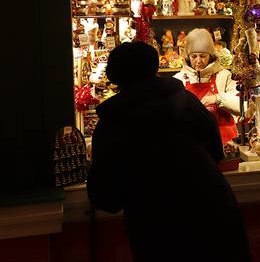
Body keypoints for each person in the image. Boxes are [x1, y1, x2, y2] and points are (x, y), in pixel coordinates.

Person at [87, 42, 250, 262]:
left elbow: (106, 197)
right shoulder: (186, 100)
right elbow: (215, 151)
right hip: (213, 210)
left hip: (157, 227)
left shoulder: (112, 123)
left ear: (114, 76)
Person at [174, 28, 241, 145]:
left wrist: (218, 98)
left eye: (203, 56)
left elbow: (241, 106)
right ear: (188, 57)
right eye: (194, 56)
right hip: (192, 143)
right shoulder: (178, 79)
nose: (198, 61)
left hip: (224, 142)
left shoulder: (224, 76)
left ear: (210, 56)